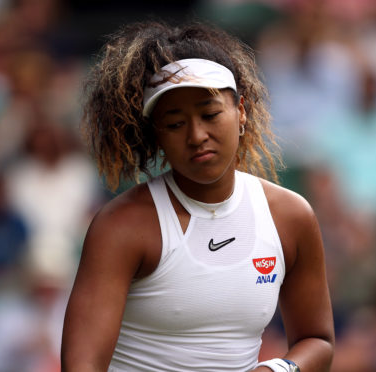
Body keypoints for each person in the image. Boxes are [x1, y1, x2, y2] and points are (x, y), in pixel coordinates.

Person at [61, 20, 334, 372]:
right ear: (157, 135)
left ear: (242, 113)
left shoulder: (291, 217)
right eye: (175, 123)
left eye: (210, 114)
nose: (197, 135)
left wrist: (278, 370)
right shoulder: (122, 227)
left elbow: (319, 342)